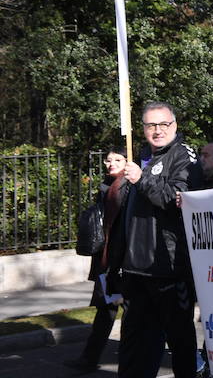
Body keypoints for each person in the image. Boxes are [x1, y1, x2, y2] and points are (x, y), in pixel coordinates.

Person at [106, 102, 200, 378]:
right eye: (150, 125)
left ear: (175, 125)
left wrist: (142, 179)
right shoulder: (142, 155)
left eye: (163, 124)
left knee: (179, 339)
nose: (157, 131)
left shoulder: (183, 156)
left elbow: (177, 200)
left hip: (168, 268)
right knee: (136, 342)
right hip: (135, 268)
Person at [63, 147, 130, 373]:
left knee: (132, 315)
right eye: (108, 160)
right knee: (105, 311)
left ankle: (131, 363)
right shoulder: (107, 186)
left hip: (124, 262)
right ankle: (89, 359)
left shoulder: (128, 186)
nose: (111, 163)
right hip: (107, 260)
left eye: (117, 159)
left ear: (127, 162)